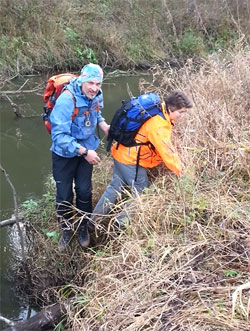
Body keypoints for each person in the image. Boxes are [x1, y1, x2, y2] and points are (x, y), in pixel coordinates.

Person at [92, 89, 192, 228]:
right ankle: (120, 224)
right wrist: (182, 172)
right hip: (130, 160)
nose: (182, 115)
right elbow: (167, 152)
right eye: (181, 112)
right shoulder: (158, 125)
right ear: (171, 108)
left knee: (115, 187)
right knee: (141, 189)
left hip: (121, 152)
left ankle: (92, 221)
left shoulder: (158, 110)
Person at [50, 63, 110, 250]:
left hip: (86, 151)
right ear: (82, 79)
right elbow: (59, 136)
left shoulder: (96, 95)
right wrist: (84, 151)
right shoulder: (67, 100)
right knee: (64, 195)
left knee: (84, 191)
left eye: (98, 84)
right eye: (91, 82)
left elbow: (96, 112)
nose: (94, 87)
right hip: (65, 154)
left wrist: (104, 126)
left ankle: (83, 227)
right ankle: (67, 230)